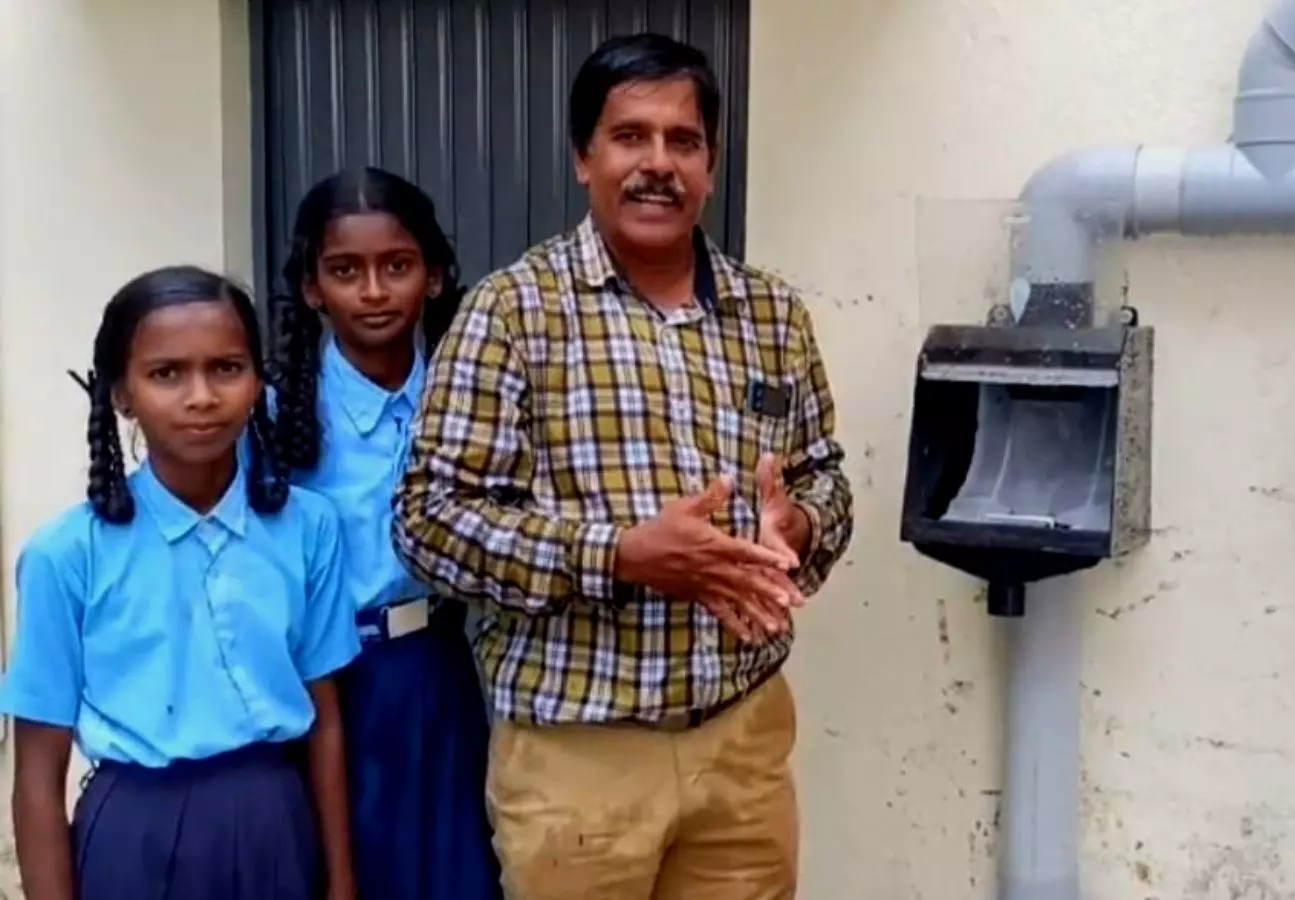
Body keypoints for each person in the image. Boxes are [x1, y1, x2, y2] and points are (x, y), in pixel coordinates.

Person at [395, 31, 854, 900]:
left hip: (743, 743)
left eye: (683, 141)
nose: (659, 164)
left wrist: (797, 522)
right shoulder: (511, 312)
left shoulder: (770, 314)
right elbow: (428, 523)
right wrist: (618, 556)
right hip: (578, 759)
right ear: (583, 157)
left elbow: (824, 473)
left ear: (712, 165)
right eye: (630, 137)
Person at [2, 265, 359, 900]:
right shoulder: (66, 555)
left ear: (256, 382)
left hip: (275, 821)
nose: (201, 396)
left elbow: (326, 720)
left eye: (226, 368)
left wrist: (340, 881)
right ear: (121, 393)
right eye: (166, 373)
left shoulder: (309, 530)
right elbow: (37, 767)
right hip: (134, 832)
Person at [269, 166, 500, 899]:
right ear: (312, 287)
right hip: (326, 686)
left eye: (396, 266)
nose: (373, 291)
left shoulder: (472, 394)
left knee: (458, 869)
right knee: (349, 874)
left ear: (433, 276)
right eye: (345, 271)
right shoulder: (276, 412)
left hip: (441, 668)